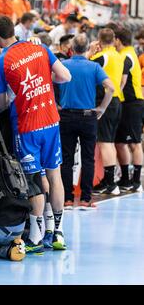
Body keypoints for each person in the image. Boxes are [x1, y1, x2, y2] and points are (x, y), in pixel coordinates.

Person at [0, 16, 71, 253]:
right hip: (51, 121)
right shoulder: (41, 48)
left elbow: (0, 103)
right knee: (54, 175)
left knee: (34, 181)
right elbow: (65, 76)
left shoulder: (0, 64)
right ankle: (57, 232)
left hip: (27, 127)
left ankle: (35, 238)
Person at [57, 34, 115, 210]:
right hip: (88, 116)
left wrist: (56, 104)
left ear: (71, 49)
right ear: (87, 48)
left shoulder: (63, 66)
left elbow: (48, 82)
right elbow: (111, 88)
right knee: (87, 158)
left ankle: (67, 198)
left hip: (66, 116)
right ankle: (85, 198)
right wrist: (102, 108)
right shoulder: (94, 67)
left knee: (66, 159)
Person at [88, 28, 125, 195]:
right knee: (109, 141)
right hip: (116, 100)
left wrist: (91, 51)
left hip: (106, 101)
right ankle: (110, 180)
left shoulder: (104, 56)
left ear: (99, 40)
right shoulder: (118, 55)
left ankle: (110, 183)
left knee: (105, 142)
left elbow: (86, 64)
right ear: (114, 39)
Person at [113, 28, 143, 192]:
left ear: (118, 40)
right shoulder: (130, 53)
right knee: (121, 142)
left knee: (134, 143)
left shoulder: (126, 56)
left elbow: (122, 83)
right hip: (129, 103)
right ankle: (126, 178)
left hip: (132, 103)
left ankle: (136, 180)